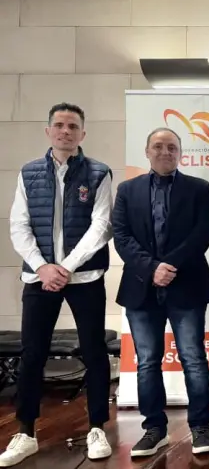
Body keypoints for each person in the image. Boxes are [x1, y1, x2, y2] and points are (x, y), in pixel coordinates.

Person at [2, 103, 113, 466]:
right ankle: (25, 432)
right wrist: (42, 267)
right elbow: (18, 225)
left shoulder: (99, 172)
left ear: (83, 133)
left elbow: (101, 226)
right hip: (39, 277)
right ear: (48, 131)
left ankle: (97, 427)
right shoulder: (29, 172)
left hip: (84, 276)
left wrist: (64, 267)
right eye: (60, 125)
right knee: (32, 354)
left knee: (94, 351)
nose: (66, 131)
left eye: (73, 126)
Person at [112, 128, 209, 457]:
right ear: (147, 152)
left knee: (193, 359)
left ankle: (200, 427)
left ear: (180, 153)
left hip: (187, 284)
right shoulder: (127, 190)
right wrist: (152, 268)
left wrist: (169, 266)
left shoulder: (199, 189)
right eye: (158, 146)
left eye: (172, 147)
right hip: (141, 288)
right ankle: (154, 429)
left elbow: (203, 233)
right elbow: (121, 236)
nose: (165, 152)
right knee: (147, 362)